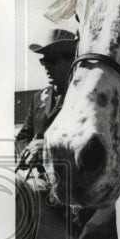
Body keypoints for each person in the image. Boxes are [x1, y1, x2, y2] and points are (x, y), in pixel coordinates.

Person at [16, 29, 77, 167]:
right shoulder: (38, 98)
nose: (46, 67)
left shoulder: (81, 97)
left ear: (71, 61)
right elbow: (23, 136)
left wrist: (48, 148)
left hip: (70, 177)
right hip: (38, 174)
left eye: (52, 61)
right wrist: (27, 152)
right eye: (44, 61)